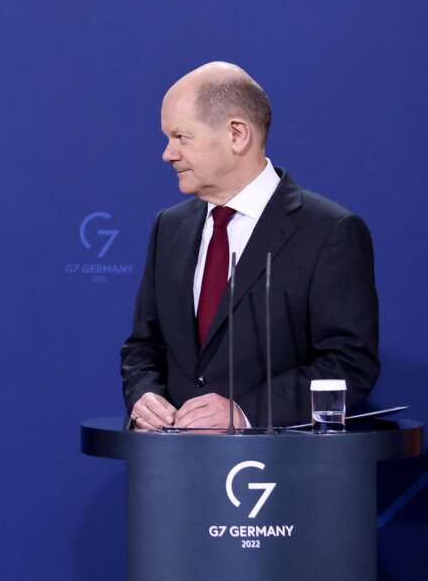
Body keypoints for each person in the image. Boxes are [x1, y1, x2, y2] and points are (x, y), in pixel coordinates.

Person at [120, 61, 379, 430]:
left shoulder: (329, 230)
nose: (168, 153)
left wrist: (245, 412)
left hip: (278, 459)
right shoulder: (169, 227)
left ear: (237, 134)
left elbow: (349, 363)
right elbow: (143, 347)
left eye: (181, 137)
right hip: (175, 458)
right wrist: (144, 395)